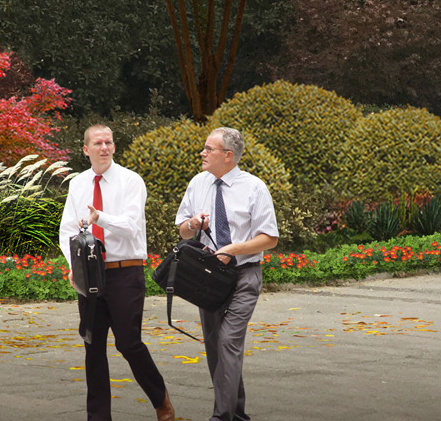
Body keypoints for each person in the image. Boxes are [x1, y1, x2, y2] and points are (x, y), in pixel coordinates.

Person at [60, 125, 174, 421]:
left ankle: (160, 399)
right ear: (85, 149)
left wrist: (101, 218)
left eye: (108, 142)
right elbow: (68, 229)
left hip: (125, 272)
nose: (104, 147)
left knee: (128, 343)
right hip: (91, 274)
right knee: (93, 347)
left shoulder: (130, 181)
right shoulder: (78, 184)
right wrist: (74, 267)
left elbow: (131, 226)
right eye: (97, 143)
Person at [175, 127, 279, 421]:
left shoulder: (254, 188)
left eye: (209, 149)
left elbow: (269, 239)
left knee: (228, 341)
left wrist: (234, 249)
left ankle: (221, 417)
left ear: (228, 156)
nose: (202, 153)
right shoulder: (198, 183)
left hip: (244, 275)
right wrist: (193, 224)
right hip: (207, 276)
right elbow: (182, 228)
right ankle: (238, 414)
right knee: (215, 348)